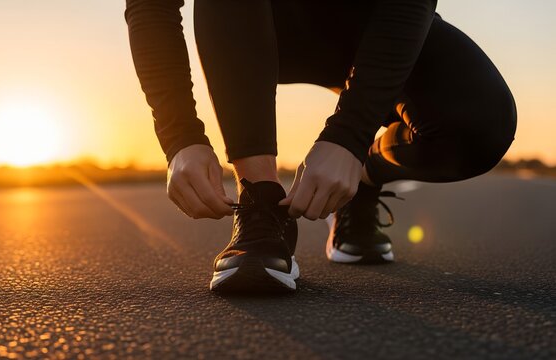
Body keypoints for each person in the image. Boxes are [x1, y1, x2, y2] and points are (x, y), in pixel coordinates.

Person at [125, 0, 516, 293]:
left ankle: (361, 182)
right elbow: (149, 5)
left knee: (483, 122)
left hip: (377, 17)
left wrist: (350, 136)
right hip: (253, 19)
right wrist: (181, 138)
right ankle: (261, 203)